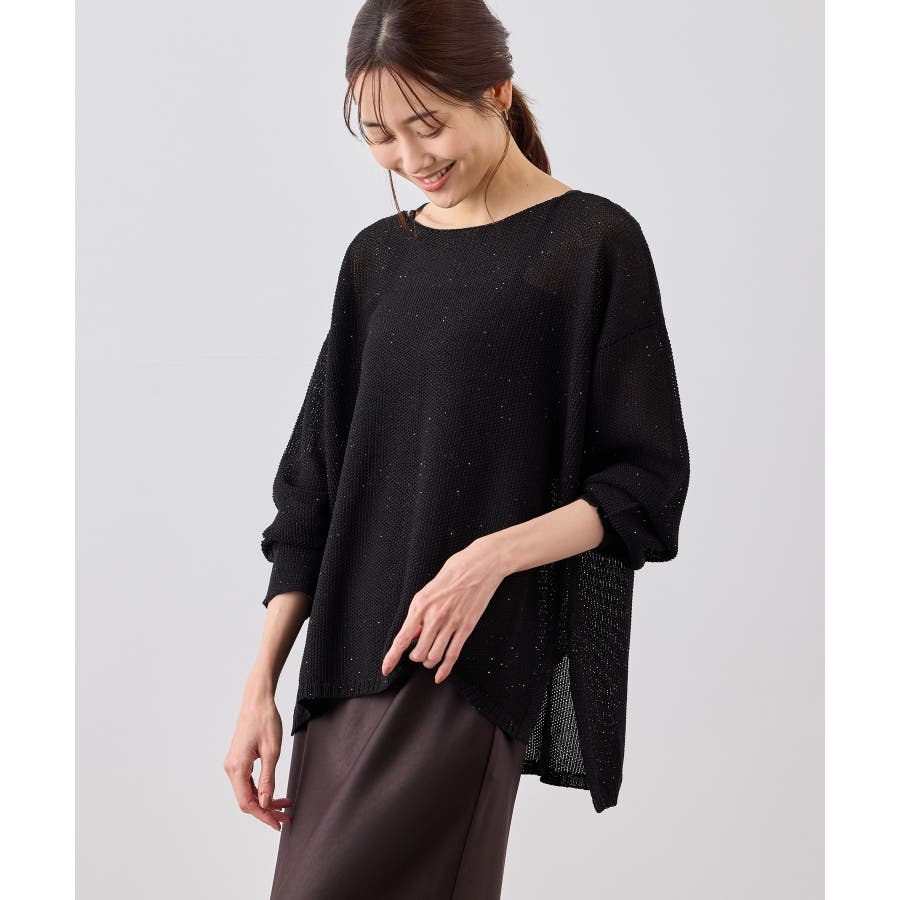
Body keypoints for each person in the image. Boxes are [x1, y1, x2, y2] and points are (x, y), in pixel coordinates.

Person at [223, 2, 691, 897]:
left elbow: (645, 481)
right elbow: (312, 489)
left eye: (428, 124)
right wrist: (259, 686)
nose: (410, 157)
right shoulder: (377, 260)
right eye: (380, 136)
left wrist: (489, 558)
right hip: (339, 674)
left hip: (463, 664)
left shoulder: (588, 245)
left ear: (498, 92)